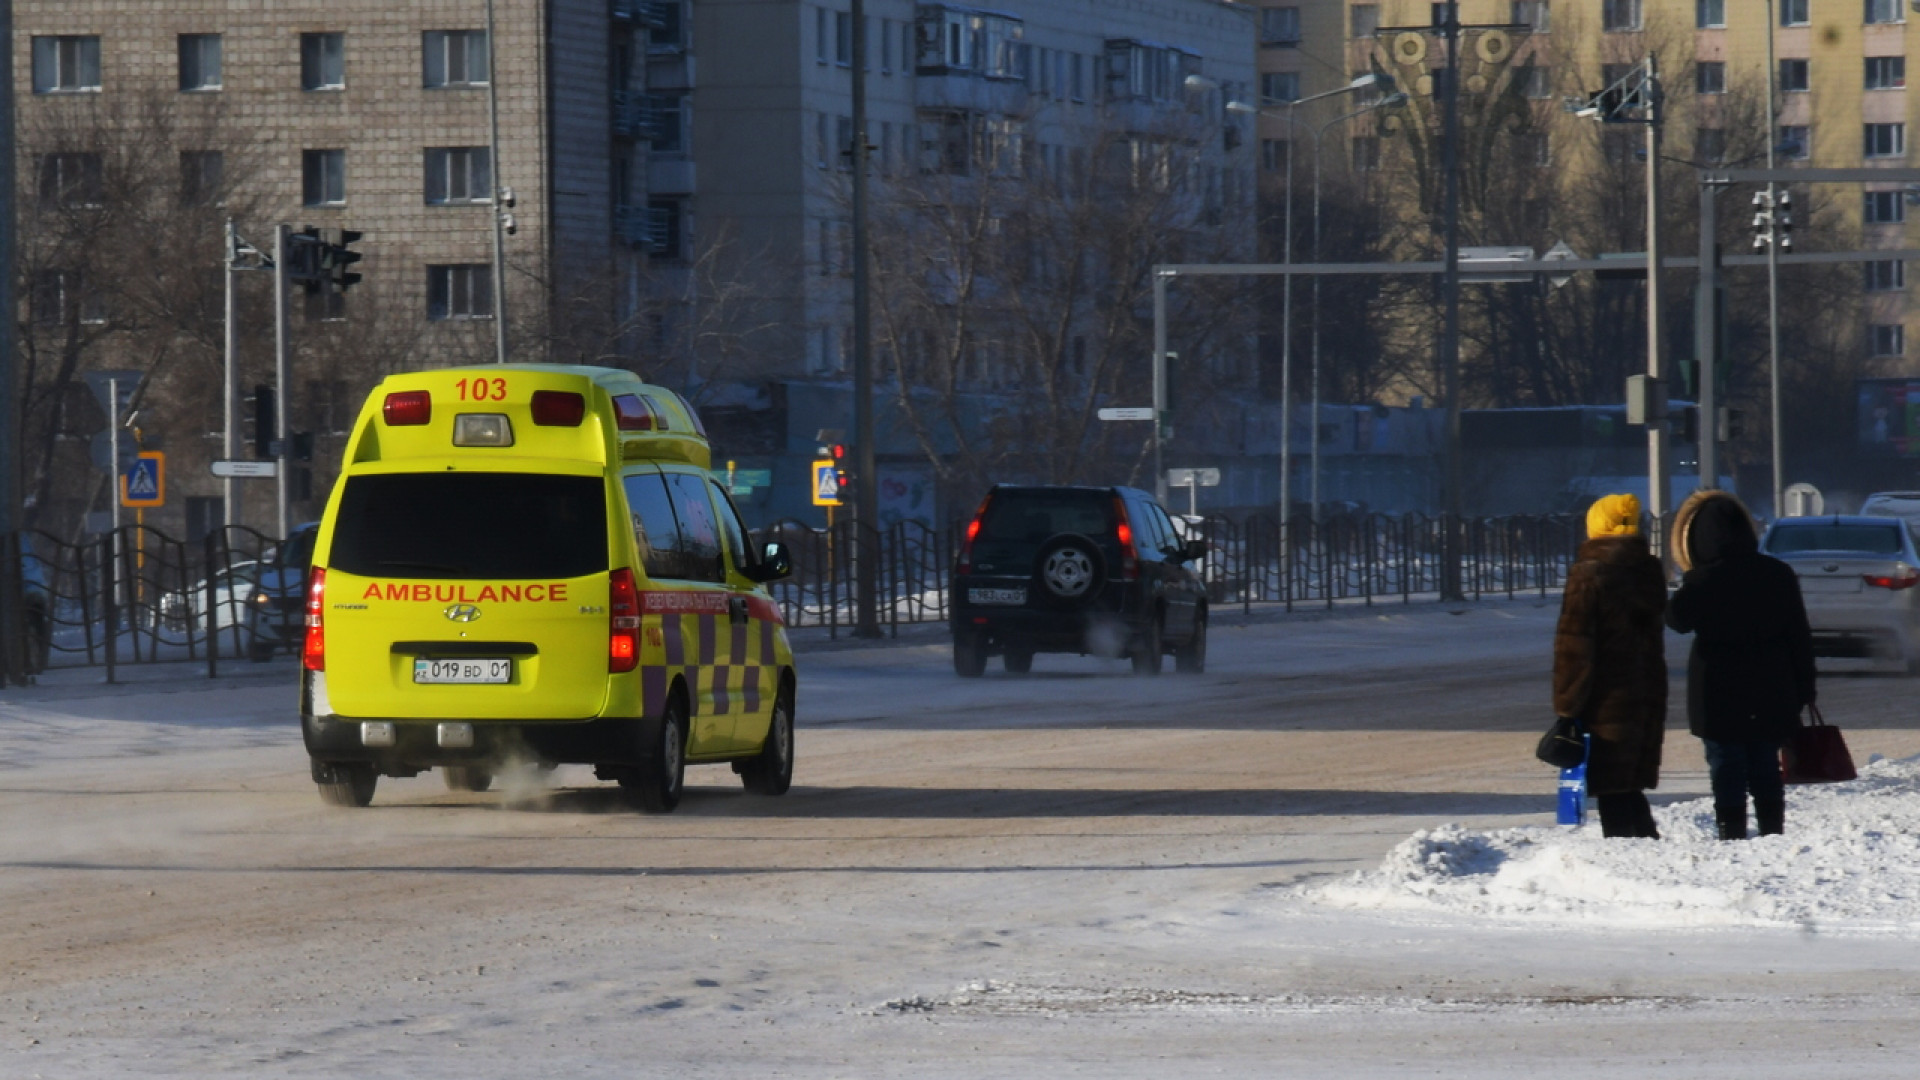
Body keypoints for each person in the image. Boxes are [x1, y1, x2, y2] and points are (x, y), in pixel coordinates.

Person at [1666, 489, 1816, 840]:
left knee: (1726, 765)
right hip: (1772, 684)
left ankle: (1730, 831)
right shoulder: (1777, 573)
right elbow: (1799, 634)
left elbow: (1676, 619)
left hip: (1718, 688)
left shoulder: (1705, 580)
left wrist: (1691, 578)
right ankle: (1771, 830)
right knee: (1765, 763)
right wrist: (1805, 686)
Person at [1552, 493, 1669, 839]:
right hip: (1646, 694)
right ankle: (1647, 849)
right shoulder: (1648, 571)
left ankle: (1629, 859)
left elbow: (1574, 649)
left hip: (1606, 701)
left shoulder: (1590, 574)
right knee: (1628, 785)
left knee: (1612, 789)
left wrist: (1566, 708)